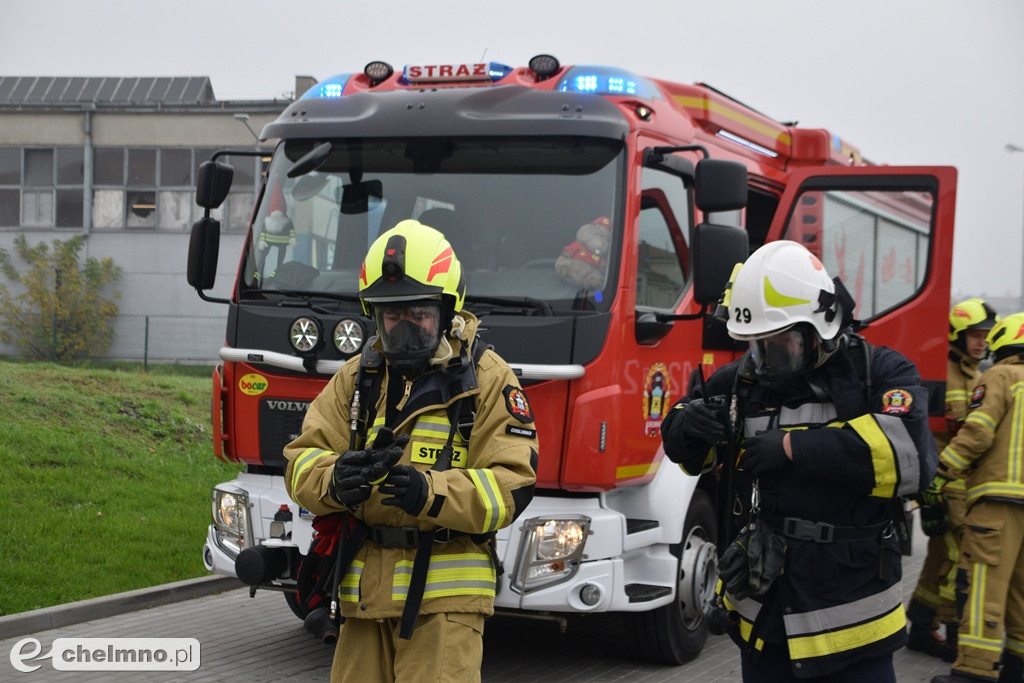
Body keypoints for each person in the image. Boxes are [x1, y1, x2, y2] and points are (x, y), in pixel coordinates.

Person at [661, 240, 936, 682]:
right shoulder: (743, 380)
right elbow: (685, 449)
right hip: (766, 619)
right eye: (756, 346)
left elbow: (911, 460)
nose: (766, 360)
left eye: (780, 344)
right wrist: (688, 423)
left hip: (853, 625)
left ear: (820, 328)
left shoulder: (879, 373)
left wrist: (793, 448)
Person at [284, 220, 538, 683]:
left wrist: (430, 492)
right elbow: (302, 458)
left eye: (418, 312)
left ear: (447, 310)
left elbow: (513, 484)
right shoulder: (356, 378)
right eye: (391, 315)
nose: (404, 328)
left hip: (445, 604)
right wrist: (335, 478)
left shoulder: (487, 379)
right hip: (363, 598)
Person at [930, 312, 1024, 683]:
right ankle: (1017, 666)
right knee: (1020, 589)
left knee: (984, 583)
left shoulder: (1001, 375)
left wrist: (940, 472)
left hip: (998, 501)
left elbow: (979, 434)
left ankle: (974, 671)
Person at [907, 298, 999, 661]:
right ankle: (952, 631)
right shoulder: (941, 371)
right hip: (944, 484)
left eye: (986, 336)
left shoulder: (976, 374)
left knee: (940, 556)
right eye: (975, 335)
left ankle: (920, 625)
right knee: (959, 557)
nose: (981, 342)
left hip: (963, 485)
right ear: (958, 336)